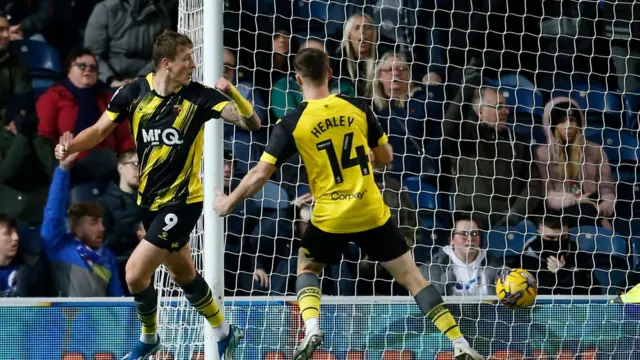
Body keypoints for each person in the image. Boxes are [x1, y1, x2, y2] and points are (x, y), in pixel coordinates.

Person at [213, 47, 484, 360]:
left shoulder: (292, 122)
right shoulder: (357, 106)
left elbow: (260, 173)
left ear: (298, 80)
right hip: (370, 210)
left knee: (307, 265)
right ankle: (459, 343)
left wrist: (228, 202)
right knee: (413, 277)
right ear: (330, 74)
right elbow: (386, 158)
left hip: (331, 216)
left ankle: (312, 327)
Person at [55, 30, 262, 360]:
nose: (193, 65)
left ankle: (149, 336)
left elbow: (252, 123)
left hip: (183, 202)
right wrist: (69, 146)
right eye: (187, 59)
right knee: (183, 274)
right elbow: (96, 132)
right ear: (166, 64)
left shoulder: (199, 97)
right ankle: (224, 330)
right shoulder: (133, 92)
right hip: (149, 203)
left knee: (135, 273)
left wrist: (233, 92)